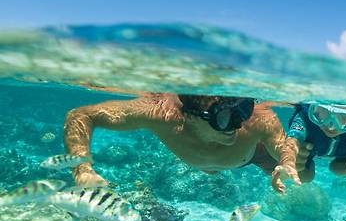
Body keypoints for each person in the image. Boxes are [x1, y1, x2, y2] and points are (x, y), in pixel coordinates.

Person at [64, 94, 285, 186]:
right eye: (225, 118)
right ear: (189, 117)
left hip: (252, 154)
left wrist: (289, 162)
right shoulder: (161, 114)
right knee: (211, 168)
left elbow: (285, 150)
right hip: (211, 160)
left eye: (244, 110)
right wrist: (81, 169)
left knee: (300, 175)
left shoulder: (256, 122)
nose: (238, 124)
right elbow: (80, 115)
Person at [271, 103, 346, 193]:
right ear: (313, 108)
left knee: (338, 167)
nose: (331, 126)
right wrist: (287, 163)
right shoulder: (304, 117)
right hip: (309, 150)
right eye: (322, 113)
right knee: (305, 177)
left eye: (344, 118)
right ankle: (300, 166)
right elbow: (291, 143)